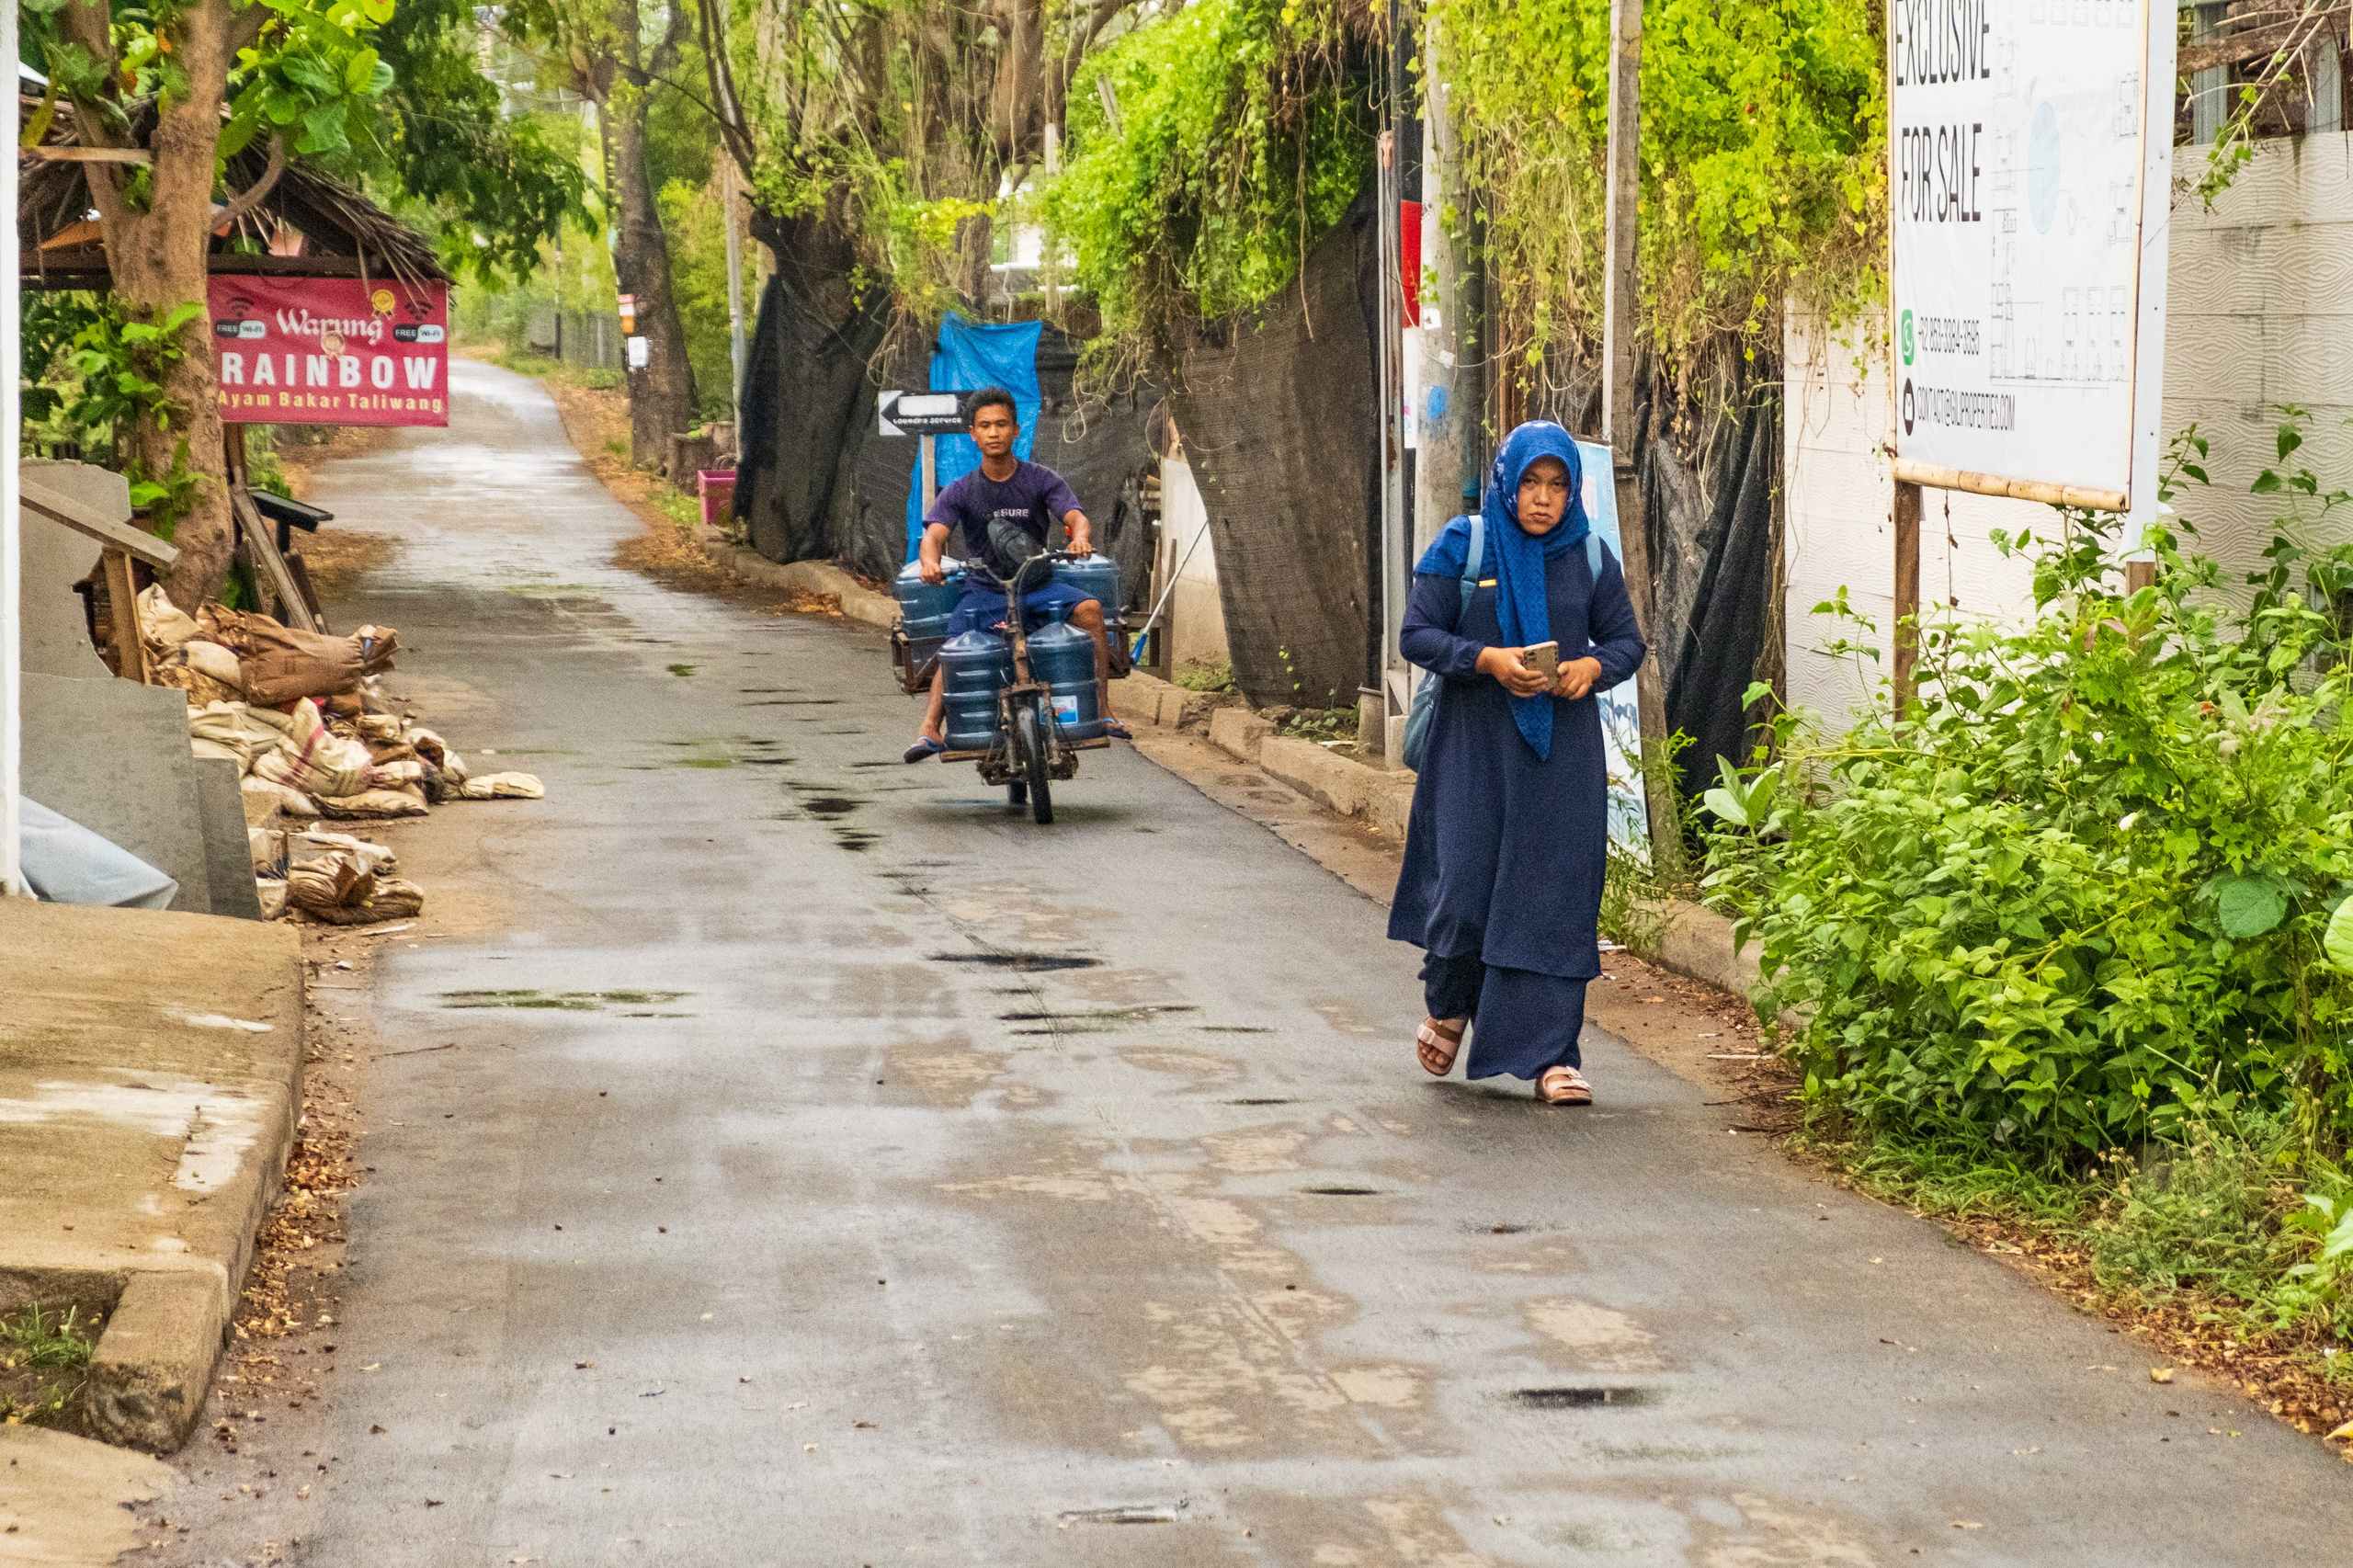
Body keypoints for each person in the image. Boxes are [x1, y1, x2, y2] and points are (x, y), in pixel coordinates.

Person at [1389, 421, 1647, 1105]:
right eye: (1530, 483)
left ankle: (1552, 1057)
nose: (1542, 499)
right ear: (1508, 482)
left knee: (1555, 896)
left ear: (1573, 492)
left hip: (1560, 757)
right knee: (1466, 886)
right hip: (1472, 750)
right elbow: (1418, 633)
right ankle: (1450, 1004)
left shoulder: (1587, 554)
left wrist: (1590, 666)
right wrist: (1487, 660)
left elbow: (1626, 642)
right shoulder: (1464, 543)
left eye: (1557, 486)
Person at [903, 387, 1130, 761]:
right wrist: (930, 562)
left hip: (1039, 586)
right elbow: (935, 534)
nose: (994, 433)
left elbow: (1075, 517)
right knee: (956, 644)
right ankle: (929, 729)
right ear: (972, 434)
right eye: (985, 426)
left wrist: (1081, 538)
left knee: (1089, 610)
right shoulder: (961, 489)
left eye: (1002, 424)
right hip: (985, 592)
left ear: (1016, 430)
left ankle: (1103, 709)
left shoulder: (1040, 479)